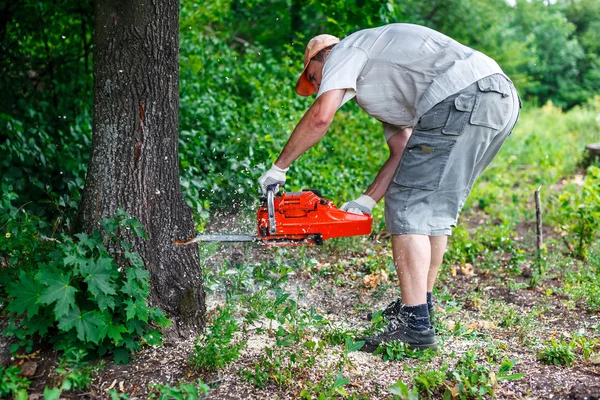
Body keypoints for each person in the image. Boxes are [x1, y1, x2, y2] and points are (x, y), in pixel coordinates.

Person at [258, 23, 521, 351]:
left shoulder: (344, 51)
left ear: (320, 58)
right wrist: (366, 201)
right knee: (432, 208)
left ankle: (415, 326)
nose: (318, 85)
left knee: (409, 205)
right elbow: (403, 150)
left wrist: (278, 168)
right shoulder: (383, 83)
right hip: (498, 98)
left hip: (461, 96)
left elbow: (320, 118)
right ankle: (420, 307)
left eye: (313, 77)